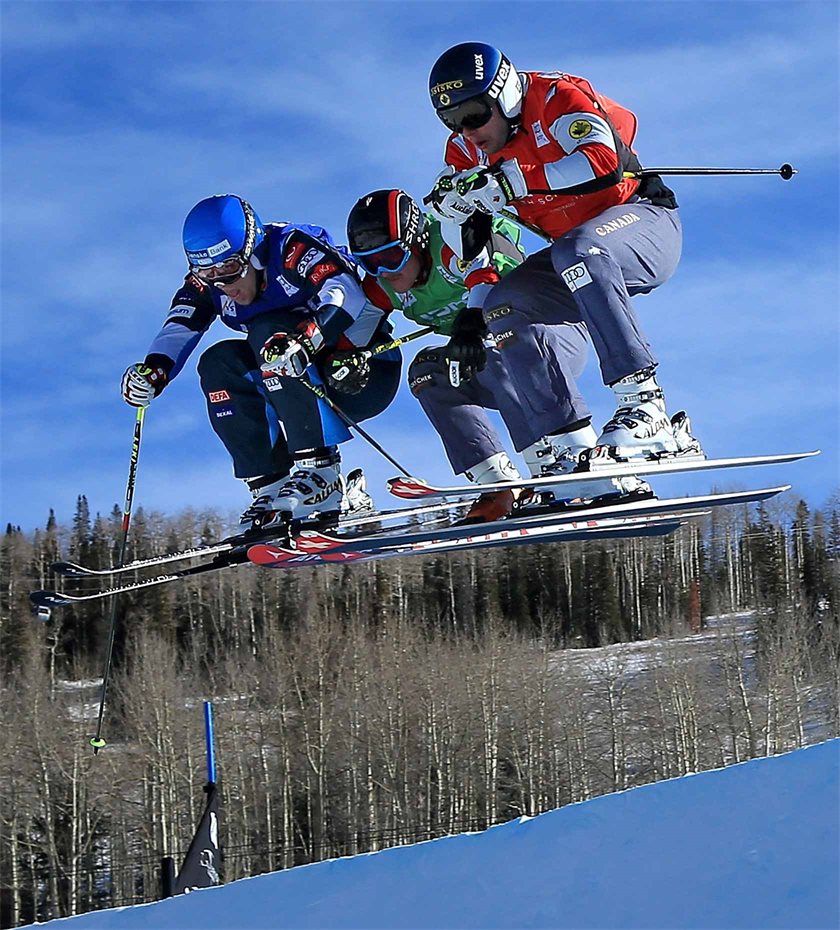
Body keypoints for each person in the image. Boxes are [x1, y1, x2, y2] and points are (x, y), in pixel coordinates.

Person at [424, 42, 702, 470]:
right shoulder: (465, 151)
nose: (467, 131)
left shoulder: (555, 97)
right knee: (505, 305)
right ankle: (572, 446)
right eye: (452, 121)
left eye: (474, 114)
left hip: (643, 223)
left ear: (504, 95)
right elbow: (470, 235)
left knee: (578, 249)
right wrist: (457, 216)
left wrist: (513, 182)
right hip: (572, 256)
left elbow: (602, 161)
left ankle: (647, 409)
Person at [347, 189, 640, 522]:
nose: (382, 271)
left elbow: (490, 271)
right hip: (494, 366)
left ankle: (553, 463)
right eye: (368, 263)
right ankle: (499, 484)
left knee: (497, 346)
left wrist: (472, 322)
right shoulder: (382, 286)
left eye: (390, 258)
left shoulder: (450, 243)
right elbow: (353, 331)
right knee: (427, 372)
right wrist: (335, 358)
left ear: (416, 240)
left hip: (547, 342)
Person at [121, 194, 401, 529]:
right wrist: (154, 371)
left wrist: (307, 339)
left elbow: (345, 291)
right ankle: (270, 487)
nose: (224, 286)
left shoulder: (290, 249)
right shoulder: (211, 284)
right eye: (209, 274)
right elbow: (180, 326)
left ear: (252, 252)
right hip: (294, 385)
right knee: (218, 362)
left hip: (361, 372)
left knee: (267, 332)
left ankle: (320, 473)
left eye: (228, 269)